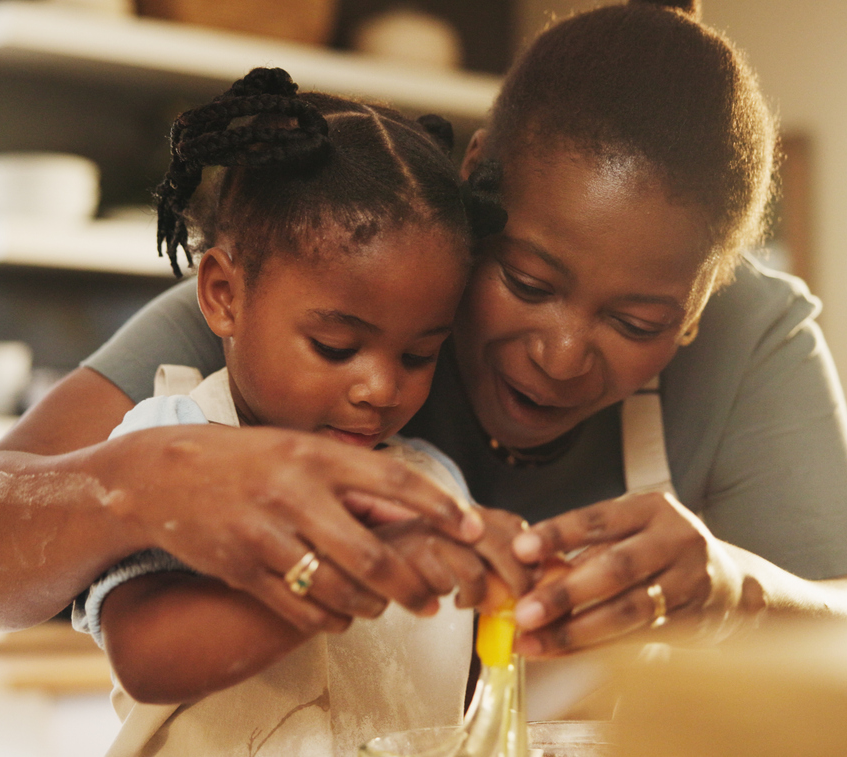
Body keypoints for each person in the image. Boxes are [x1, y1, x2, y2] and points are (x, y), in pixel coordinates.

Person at [0, 0, 847, 666]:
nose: (561, 353)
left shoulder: (753, 339)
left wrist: (732, 587)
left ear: (699, 302)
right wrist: (157, 480)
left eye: (638, 320)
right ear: (478, 189)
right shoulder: (319, 299)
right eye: (526, 278)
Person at [67, 68, 529, 757]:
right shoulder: (173, 445)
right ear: (223, 294)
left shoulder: (429, 488)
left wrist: (506, 581)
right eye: (335, 345)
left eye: (418, 355)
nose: (379, 387)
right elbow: (148, 656)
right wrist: (357, 573)